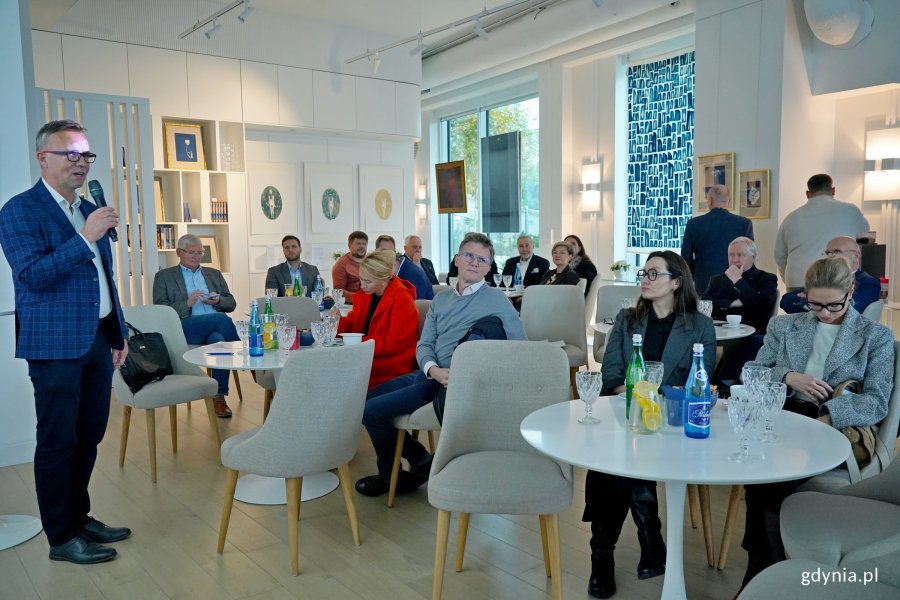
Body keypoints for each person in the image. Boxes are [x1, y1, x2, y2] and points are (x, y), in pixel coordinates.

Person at [0, 119, 131, 565]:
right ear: (44, 158)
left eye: (86, 154)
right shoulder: (20, 210)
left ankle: (80, 516)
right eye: (70, 153)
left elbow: (104, 277)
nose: (81, 162)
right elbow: (33, 276)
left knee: (90, 435)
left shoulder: (87, 206)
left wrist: (117, 331)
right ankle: (61, 536)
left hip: (96, 339)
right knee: (58, 441)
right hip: (54, 346)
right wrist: (84, 237)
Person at [737, 257, 894, 593]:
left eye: (833, 305)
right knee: (759, 472)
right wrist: (789, 376)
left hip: (834, 428)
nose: (823, 313)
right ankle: (772, 572)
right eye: (815, 303)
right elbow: (751, 371)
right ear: (804, 294)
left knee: (765, 480)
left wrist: (828, 416)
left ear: (851, 292)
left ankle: (762, 572)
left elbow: (876, 402)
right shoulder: (784, 326)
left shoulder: (874, 336)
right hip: (782, 416)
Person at [355, 233, 526, 497]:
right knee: (361, 403)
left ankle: (390, 477)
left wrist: (479, 375)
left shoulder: (496, 301)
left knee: (373, 411)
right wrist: (431, 368)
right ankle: (422, 460)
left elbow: (520, 346)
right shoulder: (442, 299)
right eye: (469, 255)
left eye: (482, 259)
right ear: (457, 259)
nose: (474, 262)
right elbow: (424, 345)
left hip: (449, 384)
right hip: (428, 373)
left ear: (489, 268)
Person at [588, 250, 715, 598]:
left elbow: (699, 382)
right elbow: (610, 373)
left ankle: (603, 556)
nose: (645, 278)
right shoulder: (627, 319)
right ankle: (647, 538)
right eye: (644, 272)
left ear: (676, 282)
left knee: (613, 465)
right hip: (627, 412)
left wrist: (656, 404)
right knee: (610, 463)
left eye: (654, 274)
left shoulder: (700, 326)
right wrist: (638, 401)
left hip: (673, 422)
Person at [153, 233, 239, 418]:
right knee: (222, 320)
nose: (197, 256)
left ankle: (218, 396)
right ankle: (245, 356)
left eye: (200, 252)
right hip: (185, 327)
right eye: (192, 252)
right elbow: (160, 310)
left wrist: (217, 301)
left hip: (213, 328)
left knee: (219, 340)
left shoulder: (213, 273)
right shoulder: (164, 276)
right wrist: (187, 303)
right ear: (179, 252)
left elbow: (231, 303)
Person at [336, 249, 419, 389]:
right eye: (361, 279)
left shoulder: (402, 299)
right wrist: (336, 321)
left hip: (390, 365)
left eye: (368, 281)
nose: (362, 286)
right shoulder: (366, 294)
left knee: (336, 370)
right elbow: (353, 325)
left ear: (385, 278)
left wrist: (358, 343)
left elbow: (395, 343)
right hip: (366, 355)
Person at [774, 173, 870, 290]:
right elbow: (865, 235)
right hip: (835, 279)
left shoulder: (791, 218)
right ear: (833, 190)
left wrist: (789, 280)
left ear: (807, 194)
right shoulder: (850, 211)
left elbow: (779, 256)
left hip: (798, 279)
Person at [680, 184, 754, 294]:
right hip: (735, 282)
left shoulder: (694, 224)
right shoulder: (744, 223)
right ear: (729, 200)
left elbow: (686, 258)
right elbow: (749, 257)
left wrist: (693, 277)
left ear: (709, 200)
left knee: (706, 311)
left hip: (704, 283)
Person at [780, 236, 880, 316]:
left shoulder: (868, 283)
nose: (830, 257)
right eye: (828, 253)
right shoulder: (822, 276)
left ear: (856, 256)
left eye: (836, 252)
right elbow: (786, 301)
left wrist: (809, 300)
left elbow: (847, 311)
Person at [702, 237, 777, 335]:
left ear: (753, 257)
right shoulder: (717, 280)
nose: (735, 259)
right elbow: (704, 304)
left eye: (740, 255)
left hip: (752, 332)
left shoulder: (766, 278)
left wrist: (738, 280)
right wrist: (731, 303)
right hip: (720, 331)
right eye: (731, 255)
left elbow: (761, 305)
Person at [375, 234, 433, 300]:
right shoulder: (384, 270)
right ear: (376, 253)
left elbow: (413, 305)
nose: (388, 255)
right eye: (384, 251)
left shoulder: (414, 275)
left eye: (391, 252)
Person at [332, 230, 368, 303]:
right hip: (351, 305)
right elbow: (338, 292)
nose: (362, 246)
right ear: (349, 245)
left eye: (364, 244)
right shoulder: (341, 265)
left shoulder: (371, 261)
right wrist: (361, 298)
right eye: (358, 243)